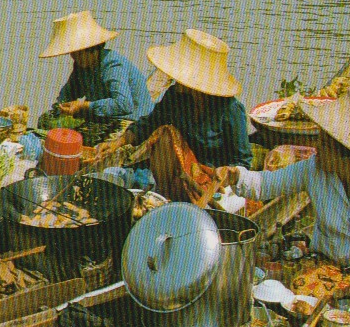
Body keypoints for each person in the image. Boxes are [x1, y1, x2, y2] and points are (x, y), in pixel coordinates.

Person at [214, 91, 350, 267]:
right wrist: (236, 176)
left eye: (324, 146)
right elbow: (265, 184)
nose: (316, 150)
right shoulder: (312, 170)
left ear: (349, 156)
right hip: (325, 264)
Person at [96, 30, 253, 204]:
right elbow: (149, 123)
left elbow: (243, 161)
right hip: (181, 176)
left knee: (166, 133)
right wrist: (116, 143)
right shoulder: (176, 97)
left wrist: (223, 176)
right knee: (164, 134)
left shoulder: (230, 109)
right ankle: (166, 196)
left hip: (212, 187)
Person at [39, 10, 154, 121]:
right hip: (105, 116)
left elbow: (123, 104)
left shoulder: (113, 65)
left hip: (134, 119)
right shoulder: (81, 65)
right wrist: (59, 108)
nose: (74, 57)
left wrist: (86, 106)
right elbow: (70, 92)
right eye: (72, 53)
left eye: (79, 53)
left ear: (93, 50)